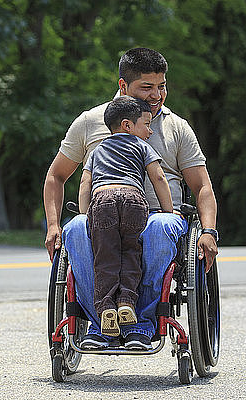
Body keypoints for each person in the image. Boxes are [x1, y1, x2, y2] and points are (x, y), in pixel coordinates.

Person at [43, 47, 218, 351]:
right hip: (103, 214)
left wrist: (208, 231)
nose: (157, 94)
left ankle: (142, 323)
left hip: (157, 217)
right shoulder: (90, 122)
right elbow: (56, 177)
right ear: (123, 85)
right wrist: (53, 225)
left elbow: (202, 185)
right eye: (147, 87)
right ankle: (102, 322)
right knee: (75, 231)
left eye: (162, 85)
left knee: (159, 227)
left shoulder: (177, 127)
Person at [78, 96, 173, 337]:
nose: (150, 131)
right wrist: (168, 211)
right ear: (128, 126)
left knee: (105, 256)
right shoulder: (142, 147)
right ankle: (127, 303)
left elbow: (84, 182)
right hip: (133, 200)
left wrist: (84, 214)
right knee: (131, 251)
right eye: (147, 125)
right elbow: (159, 178)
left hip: (102, 200)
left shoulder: (98, 150)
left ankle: (106, 307)